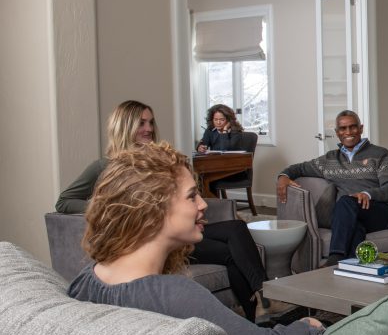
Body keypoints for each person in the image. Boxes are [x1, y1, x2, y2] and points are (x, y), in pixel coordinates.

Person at [68, 143, 322, 335]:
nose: (203, 204)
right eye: (191, 196)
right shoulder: (173, 296)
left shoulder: (85, 280)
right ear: (152, 209)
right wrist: (309, 326)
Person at [55, 100, 267, 320]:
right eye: (141, 123)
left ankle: (263, 292)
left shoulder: (158, 163)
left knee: (236, 227)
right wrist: (108, 207)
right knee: (229, 253)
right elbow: (64, 201)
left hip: (177, 230)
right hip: (155, 239)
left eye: (151, 122)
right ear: (124, 126)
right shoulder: (105, 166)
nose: (149, 129)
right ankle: (254, 315)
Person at [277, 110, 388, 260]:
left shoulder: (380, 154)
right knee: (355, 226)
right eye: (343, 128)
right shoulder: (330, 160)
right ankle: (349, 268)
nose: (348, 132)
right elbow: (299, 168)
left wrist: (368, 194)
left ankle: (334, 258)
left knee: (345, 202)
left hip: (379, 213)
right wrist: (283, 176)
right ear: (337, 132)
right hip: (348, 216)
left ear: (361, 128)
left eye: (353, 127)